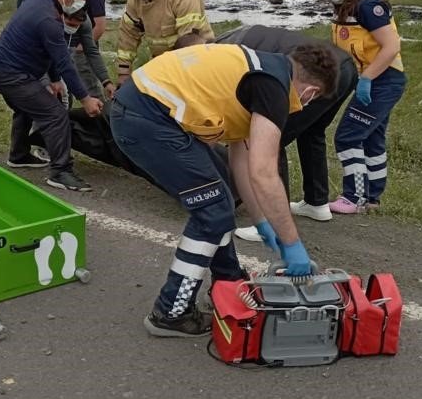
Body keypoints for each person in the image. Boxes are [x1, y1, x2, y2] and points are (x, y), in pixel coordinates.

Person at [110, 40, 339, 337]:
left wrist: (262, 222)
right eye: (310, 101)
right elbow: (265, 173)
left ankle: (228, 280)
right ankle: (170, 312)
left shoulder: (263, 71)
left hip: (146, 110)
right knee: (213, 210)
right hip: (146, 117)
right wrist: (292, 244)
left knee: (220, 200)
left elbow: (242, 161)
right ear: (311, 92)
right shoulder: (274, 88)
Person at [209, 25, 357, 237]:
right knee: (312, 132)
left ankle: (273, 222)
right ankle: (317, 202)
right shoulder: (237, 36)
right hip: (343, 67)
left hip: (313, 75)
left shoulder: (221, 55)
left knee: (271, 137)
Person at [0, 0, 103, 192]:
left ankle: (18, 155)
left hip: (4, 70)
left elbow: (49, 55)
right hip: (10, 74)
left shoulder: (41, 1)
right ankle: (61, 172)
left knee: (28, 106)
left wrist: (54, 79)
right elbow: (65, 63)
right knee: (55, 113)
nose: (83, 3)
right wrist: (86, 98)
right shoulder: (48, 19)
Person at [315, 0, 406, 214]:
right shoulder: (347, 7)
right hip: (370, 78)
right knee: (373, 139)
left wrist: (367, 79)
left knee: (348, 136)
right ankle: (373, 199)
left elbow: (391, 46)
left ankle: (353, 197)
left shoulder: (370, 7)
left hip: (383, 80)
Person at [116, 0, 214, 86]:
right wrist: (123, 73)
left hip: (197, 66)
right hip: (163, 66)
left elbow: (190, 47)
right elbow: (128, 35)